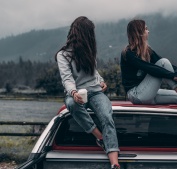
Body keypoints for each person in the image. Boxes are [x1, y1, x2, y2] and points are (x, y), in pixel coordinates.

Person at [55, 16, 120, 169]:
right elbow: (67, 78)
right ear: (84, 34)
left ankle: (114, 163)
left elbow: (94, 73)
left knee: (106, 116)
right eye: (91, 33)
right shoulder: (63, 55)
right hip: (77, 93)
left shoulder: (89, 51)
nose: (93, 37)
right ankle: (100, 137)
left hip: (96, 92)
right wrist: (73, 92)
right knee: (71, 103)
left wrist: (101, 80)